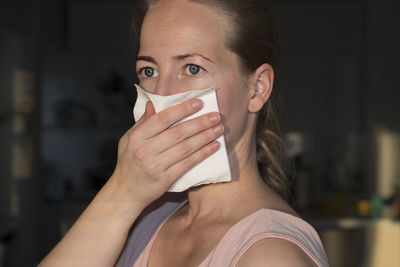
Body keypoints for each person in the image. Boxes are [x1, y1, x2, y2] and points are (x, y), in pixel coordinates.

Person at [40, 0, 329, 266]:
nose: (162, 95)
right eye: (149, 71)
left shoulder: (271, 256)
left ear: (257, 88)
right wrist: (122, 191)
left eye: (192, 68)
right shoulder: (145, 217)